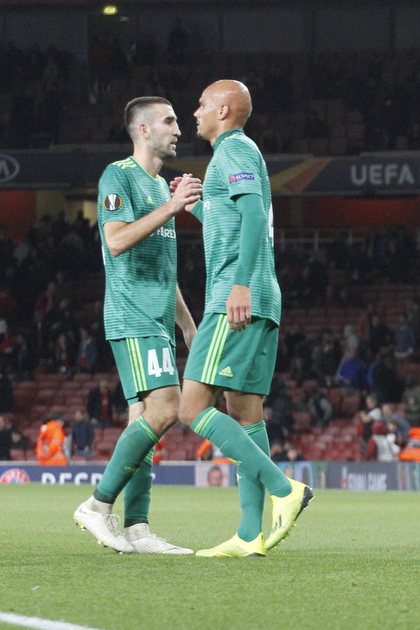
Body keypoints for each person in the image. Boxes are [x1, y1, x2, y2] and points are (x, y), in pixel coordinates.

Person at [174, 80, 312, 558]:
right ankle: (250, 533)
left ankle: (284, 489)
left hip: (234, 297)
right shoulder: (237, 155)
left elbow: (253, 217)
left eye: (201, 104)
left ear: (224, 110)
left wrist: (239, 285)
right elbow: (233, 221)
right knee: (246, 414)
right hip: (262, 297)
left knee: (191, 408)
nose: (195, 112)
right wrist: (196, 205)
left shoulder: (232, 150)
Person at [72, 96, 199, 555]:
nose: (178, 129)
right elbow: (116, 240)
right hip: (133, 314)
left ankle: (139, 528)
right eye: (169, 121)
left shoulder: (163, 186)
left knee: (144, 418)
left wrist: (188, 326)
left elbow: (166, 269)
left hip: (160, 318)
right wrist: (172, 207)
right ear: (143, 130)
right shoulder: (118, 175)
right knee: (166, 409)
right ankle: (96, 505)